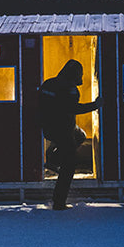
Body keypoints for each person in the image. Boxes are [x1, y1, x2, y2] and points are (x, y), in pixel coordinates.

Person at [38, 59, 103, 210]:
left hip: (49, 128)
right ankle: (59, 202)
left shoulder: (48, 83)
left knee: (80, 135)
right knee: (69, 166)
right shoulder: (69, 88)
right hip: (63, 130)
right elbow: (73, 108)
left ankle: (53, 160)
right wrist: (95, 105)